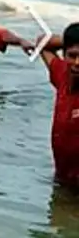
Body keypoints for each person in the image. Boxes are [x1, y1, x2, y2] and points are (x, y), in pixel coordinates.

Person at [36, 23, 79, 188]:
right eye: (72, 55)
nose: (77, 62)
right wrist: (70, 38)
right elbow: (42, 43)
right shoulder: (62, 75)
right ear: (64, 55)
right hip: (62, 180)